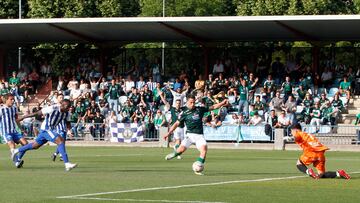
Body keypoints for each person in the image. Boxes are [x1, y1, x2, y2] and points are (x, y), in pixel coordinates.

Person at [164, 94, 228, 175]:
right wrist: (168, 133)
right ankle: (175, 153)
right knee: (180, 151)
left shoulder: (199, 109)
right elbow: (176, 124)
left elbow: (213, 107)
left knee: (204, 150)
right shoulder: (184, 113)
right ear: (187, 102)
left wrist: (222, 103)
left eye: (194, 102)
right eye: (191, 102)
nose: (193, 104)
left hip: (199, 135)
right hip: (189, 136)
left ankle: (198, 168)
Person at [12, 99, 77, 171]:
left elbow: (68, 123)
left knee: (35, 146)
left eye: (69, 107)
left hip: (50, 130)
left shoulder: (67, 113)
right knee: (61, 141)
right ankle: (67, 164)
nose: (69, 109)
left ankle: (16, 150)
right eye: (67, 107)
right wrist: (23, 117)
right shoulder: (53, 108)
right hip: (46, 129)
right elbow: (37, 113)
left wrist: (69, 131)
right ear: (62, 105)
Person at [0, 94, 28, 168]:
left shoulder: (14, 108)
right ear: (6, 100)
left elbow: (16, 120)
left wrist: (21, 129)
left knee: (26, 144)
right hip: (6, 132)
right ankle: (16, 162)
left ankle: (17, 159)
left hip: (14, 131)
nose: (13, 101)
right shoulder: (1, 109)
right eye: (11, 99)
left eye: (13, 99)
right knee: (12, 145)